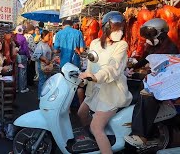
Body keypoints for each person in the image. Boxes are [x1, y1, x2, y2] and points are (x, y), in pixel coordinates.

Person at [77, 11, 133, 154]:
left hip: (111, 92)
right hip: (95, 89)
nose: (119, 32)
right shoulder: (95, 43)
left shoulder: (122, 45)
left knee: (97, 127)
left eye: (121, 28)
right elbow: (90, 65)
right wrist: (84, 80)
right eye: (116, 28)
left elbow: (113, 67)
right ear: (106, 27)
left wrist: (96, 77)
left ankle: (101, 142)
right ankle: (94, 139)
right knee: (81, 113)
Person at [124, 18, 179, 147]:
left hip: (166, 82)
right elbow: (144, 59)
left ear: (161, 33)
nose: (147, 38)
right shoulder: (152, 46)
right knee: (131, 83)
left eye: (150, 35)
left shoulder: (171, 48)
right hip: (155, 79)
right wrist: (133, 68)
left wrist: (152, 77)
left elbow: (168, 71)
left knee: (146, 95)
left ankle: (140, 136)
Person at [32, 30, 53, 98]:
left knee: (47, 81)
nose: (49, 37)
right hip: (42, 66)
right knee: (42, 81)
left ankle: (44, 96)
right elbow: (35, 55)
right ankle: (40, 97)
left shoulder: (47, 44)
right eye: (48, 36)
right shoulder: (40, 44)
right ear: (44, 36)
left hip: (47, 66)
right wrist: (44, 59)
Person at [15, 25, 30, 93]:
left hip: (15, 55)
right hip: (22, 56)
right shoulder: (23, 38)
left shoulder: (14, 37)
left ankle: (16, 87)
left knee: (16, 72)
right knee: (23, 72)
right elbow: (26, 49)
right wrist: (29, 56)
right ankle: (23, 88)